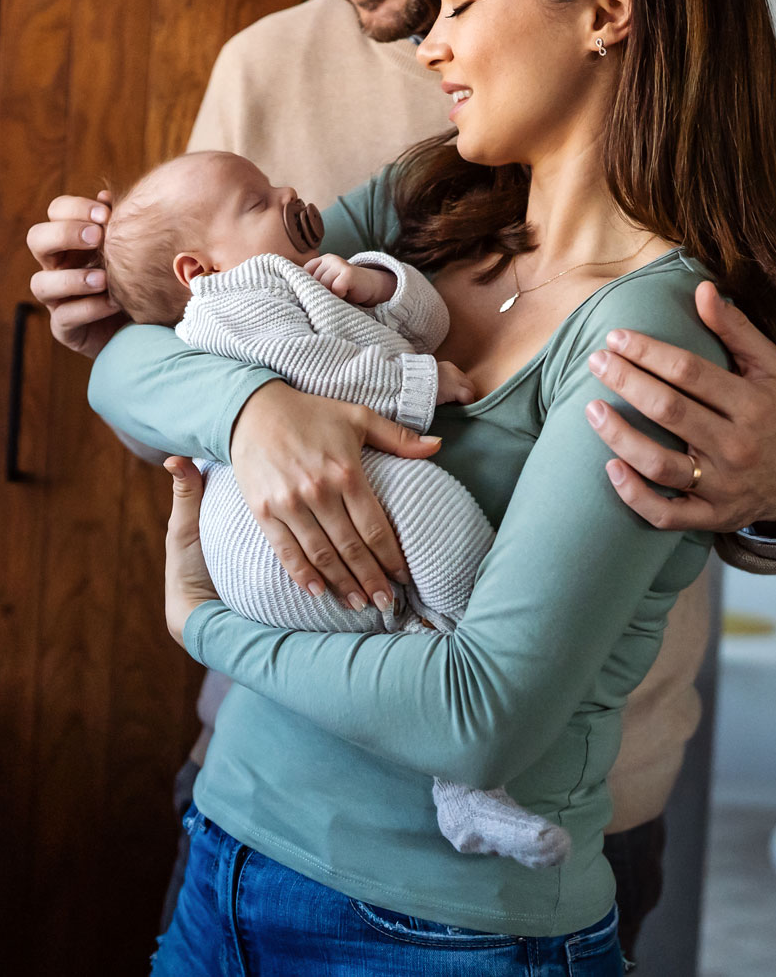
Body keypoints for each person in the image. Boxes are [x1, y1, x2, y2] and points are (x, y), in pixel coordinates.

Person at [26, 0, 776, 956]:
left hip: (470, 880)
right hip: (241, 825)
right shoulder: (425, 184)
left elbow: (493, 700)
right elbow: (153, 351)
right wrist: (252, 406)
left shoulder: (656, 282)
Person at [99, 148, 571, 869]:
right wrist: (418, 384)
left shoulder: (304, 272)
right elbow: (314, 368)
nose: (288, 191)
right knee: (441, 516)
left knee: (419, 590)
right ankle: (464, 763)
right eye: (257, 201)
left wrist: (375, 281)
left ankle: (460, 778)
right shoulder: (232, 299)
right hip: (263, 535)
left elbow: (427, 319)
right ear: (197, 270)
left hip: (305, 514)